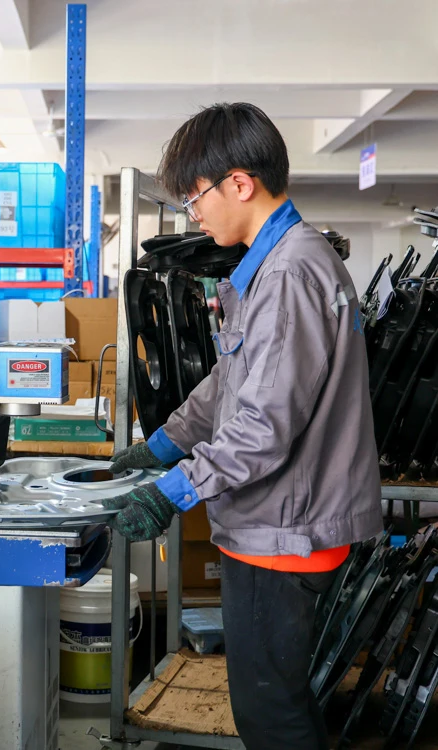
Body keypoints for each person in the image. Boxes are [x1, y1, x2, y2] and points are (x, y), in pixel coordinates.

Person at [103, 102, 382, 750]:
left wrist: (173, 492)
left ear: (239, 183)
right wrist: (162, 446)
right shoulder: (273, 266)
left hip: (283, 531)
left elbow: (263, 425)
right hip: (276, 523)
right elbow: (230, 383)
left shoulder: (289, 273)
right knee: (274, 706)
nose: (193, 215)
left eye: (194, 197)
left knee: (271, 717)